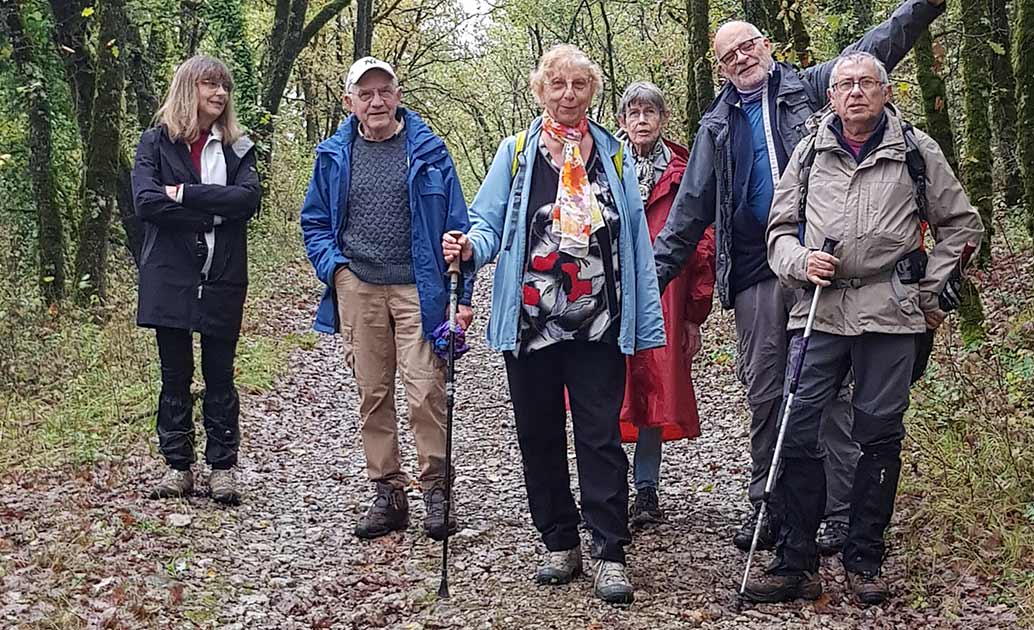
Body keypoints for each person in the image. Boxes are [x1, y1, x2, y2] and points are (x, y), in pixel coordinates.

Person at [651, 0, 947, 554]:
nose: (742, 58)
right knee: (768, 390)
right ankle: (772, 504)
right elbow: (689, 212)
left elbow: (879, 45)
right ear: (720, 68)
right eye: (729, 55)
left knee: (829, 391)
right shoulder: (716, 126)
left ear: (767, 46)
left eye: (749, 45)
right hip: (758, 269)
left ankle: (836, 512)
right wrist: (649, 285)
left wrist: (924, 8)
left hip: (828, 265)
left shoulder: (813, 88)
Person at [753, 51, 982, 606]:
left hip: (891, 314)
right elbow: (779, 230)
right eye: (845, 84)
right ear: (831, 96)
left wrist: (927, 294)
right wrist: (799, 261)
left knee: (879, 435)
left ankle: (864, 559)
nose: (855, 92)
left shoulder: (915, 151)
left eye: (866, 83)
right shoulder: (809, 153)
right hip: (819, 310)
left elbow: (961, 224)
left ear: (885, 91)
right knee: (797, 427)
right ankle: (795, 560)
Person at [441, 44, 665, 605]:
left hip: (598, 323)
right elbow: (488, 223)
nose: (568, 96)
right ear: (541, 91)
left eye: (580, 86)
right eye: (558, 86)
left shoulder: (612, 155)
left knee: (600, 435)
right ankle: (558, 541)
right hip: (531, 324)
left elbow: (633, 233)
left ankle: (609, 551)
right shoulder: (516, 153)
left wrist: (644, 314)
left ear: (593, 93)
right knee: (538, 434)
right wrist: (470, 246)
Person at [300, 57, 475, 542]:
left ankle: (436, 489)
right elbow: (313, 222)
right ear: (349, 101)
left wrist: (463, 293)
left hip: (421, 288)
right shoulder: (333, 155)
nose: (376, 101)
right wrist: (336, 271)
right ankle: (388, 492)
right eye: (366, 93)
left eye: (384, 91)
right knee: (372, 393)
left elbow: (457, 227)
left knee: (426, 391)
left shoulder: (430, 151)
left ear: (397, 95)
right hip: (359, 285)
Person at [132, 55, 260, 505]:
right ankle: (177, 465)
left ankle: (222, 469)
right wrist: (214, 209)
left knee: (220, 374)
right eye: (210, 84)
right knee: (175, 374)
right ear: (189, 88)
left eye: (224, 86)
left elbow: (247, 200)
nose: (220, 94)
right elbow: (147, 202)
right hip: (170, 274)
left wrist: (184, 194)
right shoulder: (155, 143)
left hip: (223, 274)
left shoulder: (238, 147)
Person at [614, 81, 716, 529]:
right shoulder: (602, 167)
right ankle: (608, 486)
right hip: (609, 296)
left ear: (663, 119)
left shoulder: (683, 170)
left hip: (666, 297)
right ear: (622, 121)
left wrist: (695, 314)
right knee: (605, 389)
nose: (641, 122)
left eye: (649, 114)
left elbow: (702, 244)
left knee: (654, 388)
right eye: (633, 114)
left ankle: (646, 488)